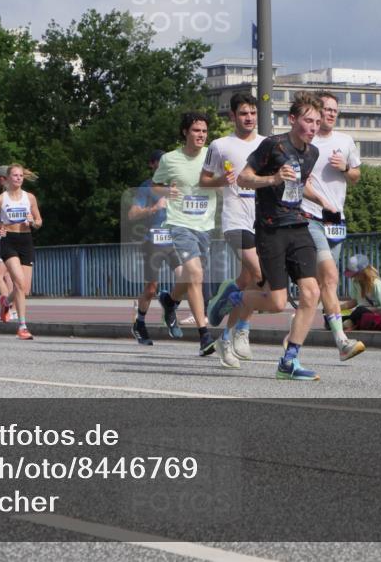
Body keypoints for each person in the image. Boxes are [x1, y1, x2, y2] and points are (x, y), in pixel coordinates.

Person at [222, 92, 365, 378]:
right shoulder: (272, 145)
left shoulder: (311, 153)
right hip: (271, 229)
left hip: (299, 225)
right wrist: (273, 179)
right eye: (307, 121)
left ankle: (289, 361)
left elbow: (300, 186)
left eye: (316, 121)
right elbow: (244, 178)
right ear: (292, 119)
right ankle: (237, 297)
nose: (313, 127)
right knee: (276, 302)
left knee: (311, 292)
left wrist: (325, 204)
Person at [200, 92, 265, 361]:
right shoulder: (220, 145)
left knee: (247, 281)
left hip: (262, 220)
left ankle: (228, 331)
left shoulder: (267, 144)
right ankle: (241, 330)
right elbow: (204, 180)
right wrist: (221, 182)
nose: (249, 118)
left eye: (252, 113)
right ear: (232, 116)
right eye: (243, 113)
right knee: (262, 277)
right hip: (235, 221)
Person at [154, 112, 219, 356]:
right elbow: (155, 185)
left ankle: (170, 300)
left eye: (204, 131)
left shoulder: (213, 154)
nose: (201, 135)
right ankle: (204, 335)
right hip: (179, 223)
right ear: (185, 132)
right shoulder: (170, 159)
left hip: (205, 225)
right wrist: (164, 191)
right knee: (195, 274)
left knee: (193, 276)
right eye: (196, 130)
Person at [300, 91, 362, 337]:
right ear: (317, 110)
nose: (331, 114)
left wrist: (345, 168)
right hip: (310, 215)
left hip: (336, 219)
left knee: (324, 281)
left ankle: (300, 328)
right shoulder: (307, 141)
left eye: (335, 111)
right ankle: (340, 336)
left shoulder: (345, 141)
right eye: (327, 109)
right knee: (330, 275)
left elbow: (356, 176)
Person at [0, 163, 42, 340]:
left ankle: (5, 303)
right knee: (18, 281)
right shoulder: (0, 199)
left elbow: (39, 221)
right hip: (9, 240)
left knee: (24, 288)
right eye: (15, 175)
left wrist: (33, 222)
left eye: (21, 176)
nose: (18, 178)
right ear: (8, 178)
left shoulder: (30, 198)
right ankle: (23, 327)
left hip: (26, 240)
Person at [127, 149, 178, 346]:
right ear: (152, 165)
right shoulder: (146, 187)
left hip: (174, 240)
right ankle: (139, 323)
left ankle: (170, 306)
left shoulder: (175, 186)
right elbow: (132, 214)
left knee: (189, 278)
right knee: (151, 288)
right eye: (159, 163)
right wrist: (154, 209)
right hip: (153, 241)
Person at [340, 254, 381, 331]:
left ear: (364, 271)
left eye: (355, 274)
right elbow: (355, 301)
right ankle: (349, 323)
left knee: (360, 310)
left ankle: (350, 323)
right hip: (358, 314)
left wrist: (365, 309)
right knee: (332, 320)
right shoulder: (355, 283)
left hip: (373, 316)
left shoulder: (378, 284)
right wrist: (337, 308)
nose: (352, 277)